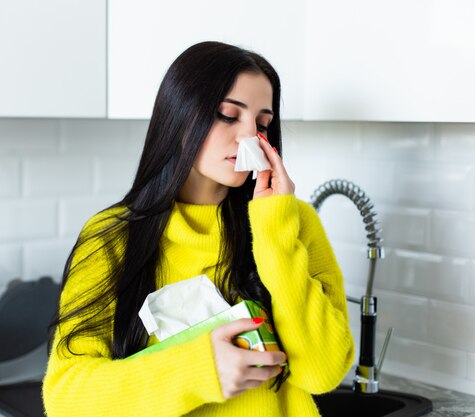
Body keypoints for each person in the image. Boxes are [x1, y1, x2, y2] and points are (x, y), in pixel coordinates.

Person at [43, 41, 354, 417]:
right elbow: (66, 397)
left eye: (263, 124)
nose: (249, 136)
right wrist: (200, 369)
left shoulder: (291, 221)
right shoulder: (111, 237)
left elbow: (322, 371)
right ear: (179, 116)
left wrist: (274, 231)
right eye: (227, 114)